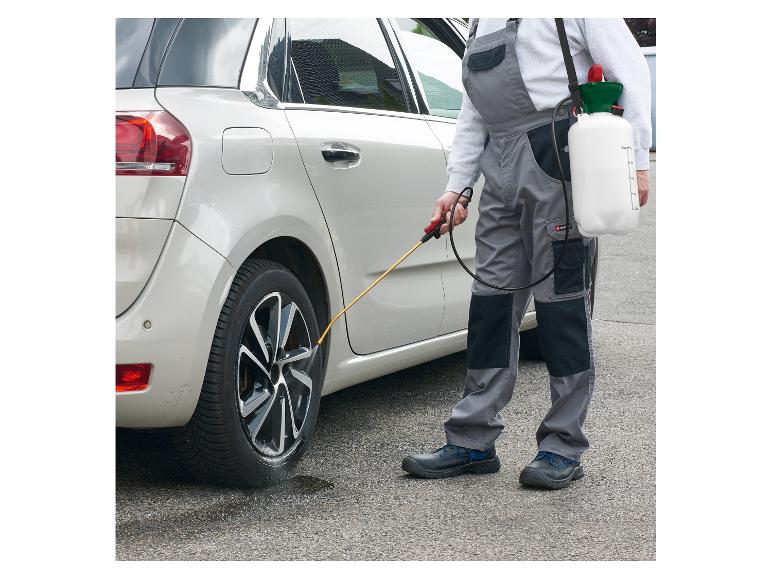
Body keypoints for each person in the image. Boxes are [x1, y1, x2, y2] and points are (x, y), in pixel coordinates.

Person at [402, 18, 652, 489]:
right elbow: (474, 114)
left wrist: (636, 160)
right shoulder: (480, 19)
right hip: (498, 165)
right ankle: (472, 439)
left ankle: (562, 444)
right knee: (491, 303)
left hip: (554, 152)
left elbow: (632, 71)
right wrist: (458, 186)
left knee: (561, 304)